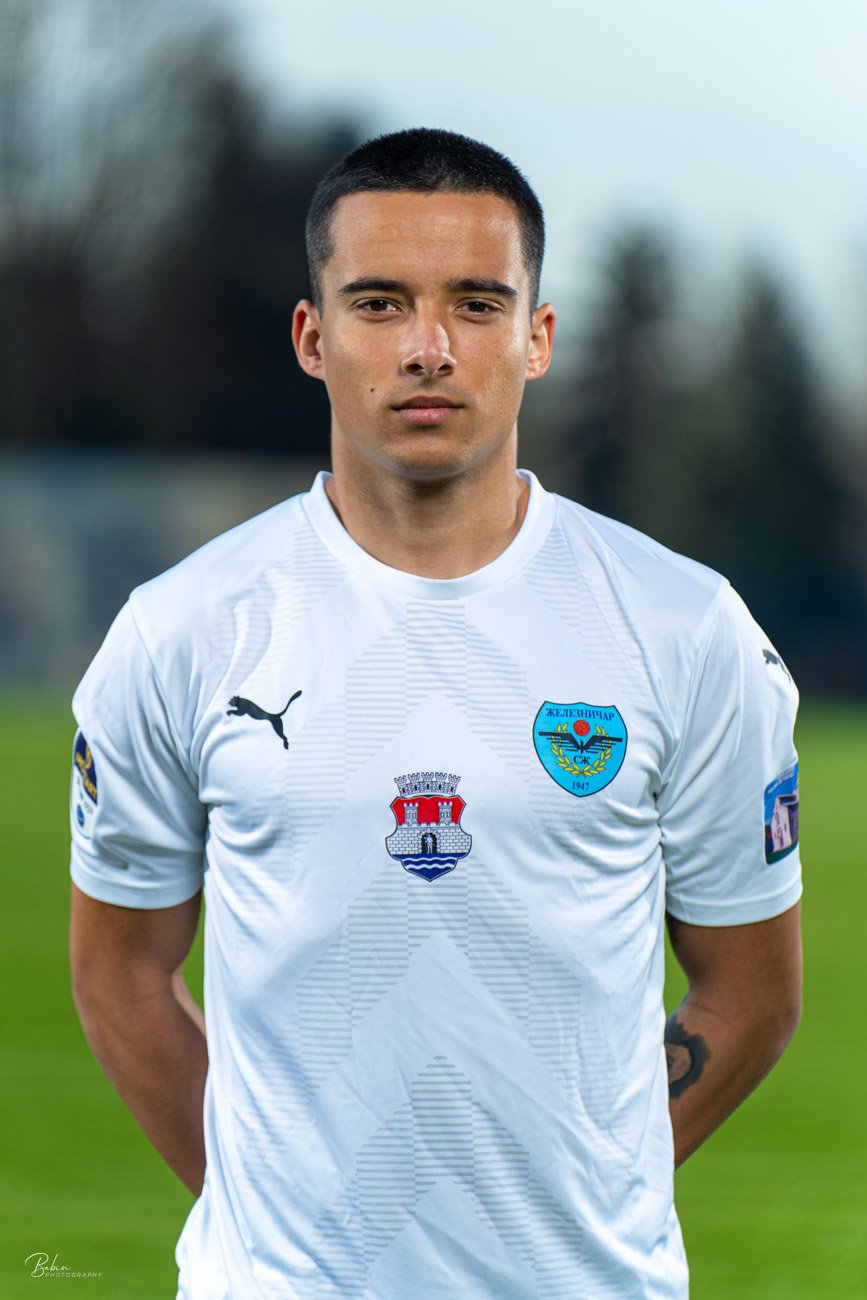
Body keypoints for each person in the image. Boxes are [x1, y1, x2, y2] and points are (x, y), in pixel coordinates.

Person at [69, 128, 803, 1300]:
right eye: (379, 303)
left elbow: (753, 986)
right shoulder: (182, 632)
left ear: (538, 337)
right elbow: (120, 972)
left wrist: (585, 1200)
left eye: (475, 303)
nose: (427, 347)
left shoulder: (685, 627)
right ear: (313, 337)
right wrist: (270, 1222)